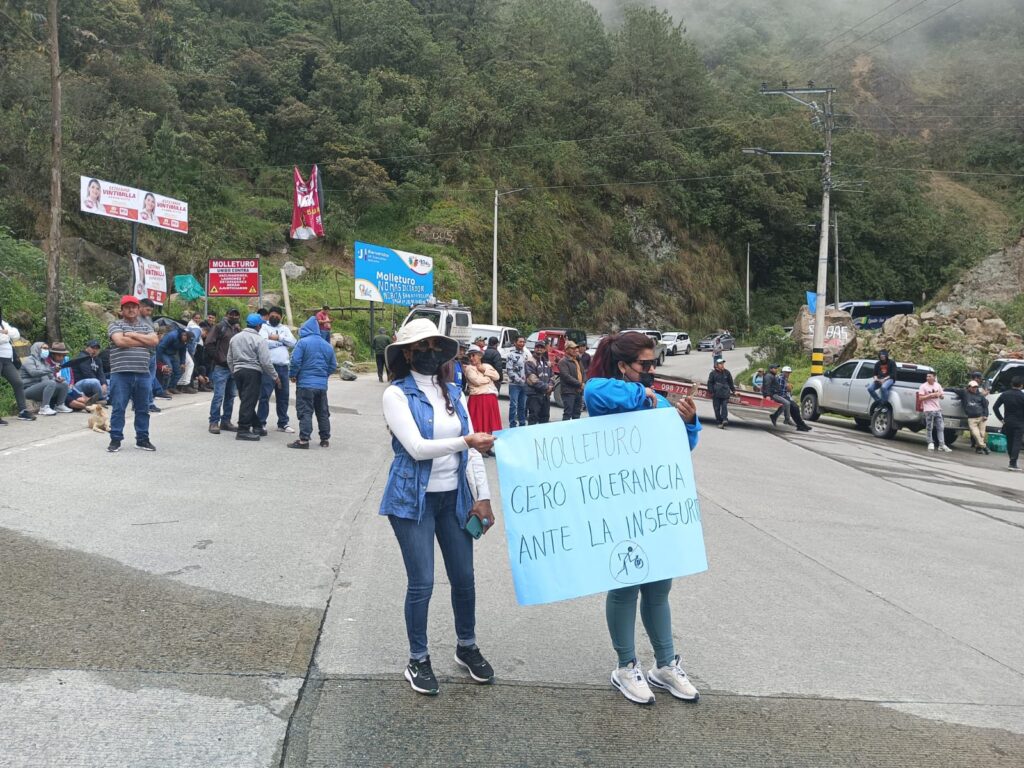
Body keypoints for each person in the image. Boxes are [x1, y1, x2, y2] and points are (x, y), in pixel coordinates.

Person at [583, 331, 702, 705]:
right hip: (619, 504)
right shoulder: (608, 393)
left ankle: (665, 665)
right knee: (625, 585)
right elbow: (593, 391)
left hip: (655, 506)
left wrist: (689, 422)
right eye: (645, 364)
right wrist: (645, 396)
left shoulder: (658, 400)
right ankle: (626, 666)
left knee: (658, 587)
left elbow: (684, 445)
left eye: (653, 363)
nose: (652, 370)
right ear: (623, 365)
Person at [379, 318, 496, 696]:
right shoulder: (396, 395)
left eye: (435, 347)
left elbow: (473, 453)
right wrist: (466, 441)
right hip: (412, 500)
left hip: (454, 498)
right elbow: (416, 448)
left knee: (464, 578)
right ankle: (418, 658)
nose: (429, 354)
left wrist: (483, 497)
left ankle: (467, 646)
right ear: (406, 353)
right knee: (422, 582)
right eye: (421, 347)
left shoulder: (455, 393)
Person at [106, 295, 159, 451]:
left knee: (143, 408)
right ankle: (115, 439)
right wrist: (144, 342)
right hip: (121, 373)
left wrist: (133, 335)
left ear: (138, 309)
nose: (131, 310)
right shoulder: (115, 324)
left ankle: (142, 439)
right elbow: (120, 341)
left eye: (134, 307)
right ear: (122, 310)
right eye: (127, 307)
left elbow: (154, 341)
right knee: (118, 408)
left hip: (143, 373)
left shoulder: (146, 326)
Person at [288, 316, 338, 448]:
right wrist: (323, 376)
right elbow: (333, 365)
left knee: (305, 411)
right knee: (322, 412)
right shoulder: (327, 345)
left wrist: (293, 375)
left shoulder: (302, 343)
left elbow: (295, 361)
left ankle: (304, 440)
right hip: (321, 386)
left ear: (305, 329)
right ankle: (324, 439)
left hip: (305, 384)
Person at [228, 313, 279, 441]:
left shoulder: (235, 338)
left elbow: (229, 358)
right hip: (252, 372)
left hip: (238, 371)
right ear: (258, 326)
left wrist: (234, 371)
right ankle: (243, 430)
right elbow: (265, 362)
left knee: (246, 400)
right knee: (249, 401)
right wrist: (275, 376)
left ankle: (257, 426)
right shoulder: (259, 340)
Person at [258, 306, 296, 434]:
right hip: (269, 367)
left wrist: (278, 338)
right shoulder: (264, 327)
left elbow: (293, 342)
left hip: (284, 368)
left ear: (281, 316)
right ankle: (261, 423)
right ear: (268, 316)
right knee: (265, 396)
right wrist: (281, 343)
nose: (275, 317)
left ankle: (283, 423)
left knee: (283, 396)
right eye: (272, 315)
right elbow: (263, 343)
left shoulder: (285, 328)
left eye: (277, 315)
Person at [206, 308, 241, 433]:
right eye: (232, 314)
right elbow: (209, 344)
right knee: (219, 396)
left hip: (234, 367)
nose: (234, 317)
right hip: (221, 367)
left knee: (231, 396)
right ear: (226, 315)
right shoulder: (219, 327)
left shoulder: (237, 329)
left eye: (236, 315)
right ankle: (214, 422)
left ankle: (226, 421)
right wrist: (219, 358)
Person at [464, 348, 501, 453]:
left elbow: (497, 376)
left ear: (480, 356)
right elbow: (477, 381)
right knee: (479, 423)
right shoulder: (469, 368)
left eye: (473, 355)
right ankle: (479, 448)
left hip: (490, 397)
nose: (471, 358)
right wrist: (488, 379)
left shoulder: (487, 366)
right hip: (478, 397)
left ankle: (488, 447)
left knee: (489, 424)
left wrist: (484, 370)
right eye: (469, 356)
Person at [20, 342, 71, 416]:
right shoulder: (29, 360)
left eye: (47, 349)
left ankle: (60, 405)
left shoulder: (44, 362)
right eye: (44, 348)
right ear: (37, 349)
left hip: (41, 388)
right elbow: (33, 373)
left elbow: (51, 376)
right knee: (50, 383)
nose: (46, 350)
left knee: (64, 384)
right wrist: (52, 369)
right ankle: (44, 408)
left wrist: (57, 379)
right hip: (28, 389)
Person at [0, 314, 35, 421]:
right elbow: (3, 338)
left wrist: (6, 332)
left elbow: (16, 334)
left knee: (18, 382)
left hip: (7, 360)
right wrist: (6, 335)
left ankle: (23, 411)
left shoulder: (2, 323)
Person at [951, 380, 990, 455]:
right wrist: (943, 389)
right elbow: (954, 389)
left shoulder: (980, 395)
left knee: (982, 434)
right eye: (973, 387)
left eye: (976, 387)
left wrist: (986, 415)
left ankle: (979, 448)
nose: (974, 389)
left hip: (981, 417)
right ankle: (984, 447)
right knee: (976, 434)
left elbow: (985, 406)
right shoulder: (964, 393)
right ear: (969, 387)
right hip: (972, 418)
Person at [994, 376, 1024, 471]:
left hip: (1008, 422)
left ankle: (1012, 462)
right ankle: (1013, 463)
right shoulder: (1022, 396)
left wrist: (1001, 419)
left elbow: (995, 407)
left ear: (1011, 384)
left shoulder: (1005, 394)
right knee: (1017, 443)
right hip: (1020, 423)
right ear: (1021, 385)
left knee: (1010, 442)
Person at [772, 366, 811, 432]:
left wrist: (789, 394)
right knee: (794, 407)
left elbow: (786, 390)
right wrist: (788, 392)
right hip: (781, 396)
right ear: (783, 372)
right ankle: (800, 424)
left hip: (784, 396)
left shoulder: (784, 378)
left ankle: (801, 425)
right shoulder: (781, 378)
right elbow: (780, 391)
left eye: (789, 373)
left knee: (795, 408)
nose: (788, 374)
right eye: (787, 372)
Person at [917, 372, 949, 452]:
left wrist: (939, 395)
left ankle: (942, 444)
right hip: (928, 409)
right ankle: (930, 442)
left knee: (940, 427)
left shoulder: (938, 385)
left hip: (937, 409)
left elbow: (942, 396)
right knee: (929, 427)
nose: (927, 378)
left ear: (934, 377)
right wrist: (930, 395)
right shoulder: (923, 386)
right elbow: (920, 398)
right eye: (927, 376)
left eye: (929, 376)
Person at [155, 327, 193, 395]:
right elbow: (160, 347)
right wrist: (159, 361)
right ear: (184, 335)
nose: (186, 342)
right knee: (169, 369)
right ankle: (163, 389)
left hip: (173, 354)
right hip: (164, 353)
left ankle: (172, 387)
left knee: (180, 370)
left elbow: (183, 352)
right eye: (186, 340)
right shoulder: (172, 336)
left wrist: (182, 363)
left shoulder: (185, 341)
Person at [525, 341, 553, 425]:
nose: (539, 349)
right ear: (534, 348)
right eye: (537, 347)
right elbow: (533, 379)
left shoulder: (547, 362)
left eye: (542, 347)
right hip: (534, 395)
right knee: (533, 418)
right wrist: (547, 387)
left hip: (545, 396)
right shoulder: (530, 361)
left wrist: (551, 385)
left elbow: (552, 376)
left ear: (544, 349)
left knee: (545, 418)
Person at [557, 340, 585, 420]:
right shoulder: (563, 362)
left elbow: (583, 373)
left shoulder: (578, 360)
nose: (575, 350)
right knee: (568, 413)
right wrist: (580, 384)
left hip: (578, 391)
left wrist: (584, 382)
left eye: (576, 348)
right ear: (566, 350)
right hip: (569, 391)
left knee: (577, 414)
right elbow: (566, 376)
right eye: (572, 348)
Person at [505, 336, 529, 428]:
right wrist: (519, 380)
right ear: (515, 343)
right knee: (513, 405)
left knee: (522, 406)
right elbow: (509, 370)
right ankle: (512, 424)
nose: (522, 344)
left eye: (523, 342)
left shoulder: (526, 355)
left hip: (525, 385)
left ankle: (522, 424)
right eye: (520, 342)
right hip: (514, 385)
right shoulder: (510, 355)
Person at [708, 356, 736, 428]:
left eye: (723, 363)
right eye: (720, 363)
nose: (722, 365)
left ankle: (724, 419)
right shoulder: (713, 373)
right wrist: (711, 392)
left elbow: (730, 382)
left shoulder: (727, 372)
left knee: (724, 406)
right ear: (716, 365)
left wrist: (733, 391)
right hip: (716, 394)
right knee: (716, 408)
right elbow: (710, 383)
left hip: (725, 393)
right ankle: (719, 422)